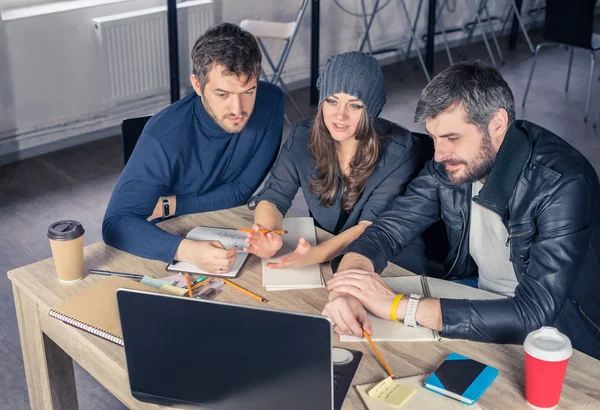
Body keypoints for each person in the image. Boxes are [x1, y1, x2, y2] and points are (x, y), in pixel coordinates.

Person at [324, 61, 600, 359]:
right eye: (433, 138)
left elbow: (533, 313)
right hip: (475, 298)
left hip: (557, 335)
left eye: (452, 138)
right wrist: (348, 288)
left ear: (497, 124)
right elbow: (388, 230)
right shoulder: (450, 165)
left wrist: (399, 306)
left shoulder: (564, 183)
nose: (439, 154)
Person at [102, 23, 284, 273]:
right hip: (167, 235)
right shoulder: (162, 136)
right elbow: (115, 225)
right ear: (197, 85)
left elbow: (241, 190)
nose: (238, 109)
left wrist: (171, 203)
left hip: (222, 221)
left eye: (248, 91)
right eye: (223, 94)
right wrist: (187, 250)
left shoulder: (272, 101)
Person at [244, 52, 427, 275]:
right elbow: (273, 196)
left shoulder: (401, 150)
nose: (339, 116)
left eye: (355, 106)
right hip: (325, 252)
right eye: (332, 101)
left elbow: (371, 226)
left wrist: (318, 254)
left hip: (389, 260)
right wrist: (266, 233)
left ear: (371, 110)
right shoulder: (302, 137)